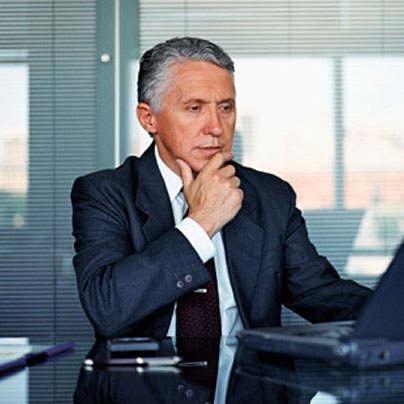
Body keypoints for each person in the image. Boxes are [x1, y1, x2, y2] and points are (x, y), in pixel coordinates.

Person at [71, 37, 371, 339]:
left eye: (225, 108)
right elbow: (107, 308)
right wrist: (201, 224)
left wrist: (390, 312)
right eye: (194, 108)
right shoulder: (104, 193)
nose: (216, 127)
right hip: (149, 370)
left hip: (249, 369)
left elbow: (320, 293)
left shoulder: (271, 196)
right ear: (149, 119)